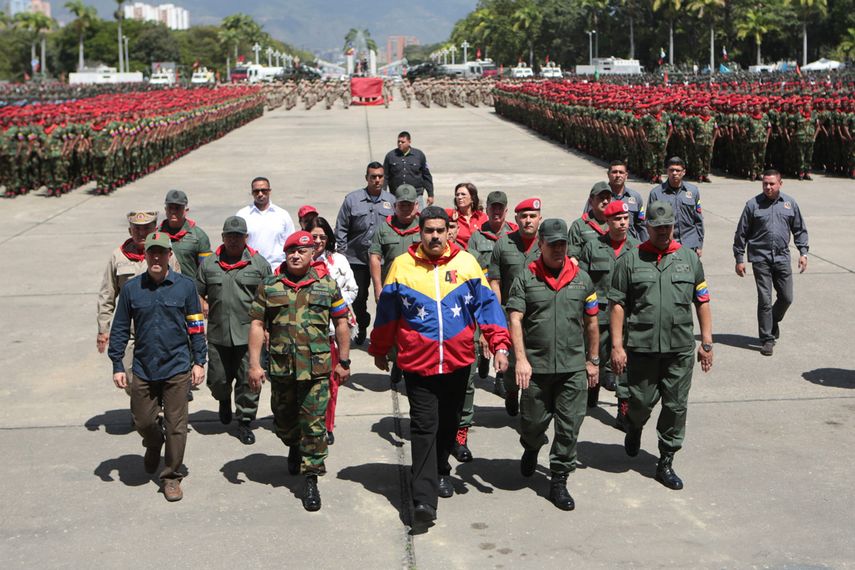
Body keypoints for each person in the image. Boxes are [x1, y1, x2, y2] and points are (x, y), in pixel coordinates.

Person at [369, 206, 510, 524]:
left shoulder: (467, 264)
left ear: (449, 231)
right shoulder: (402, 267)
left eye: (440, 230)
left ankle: (442, 469)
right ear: (420, 232)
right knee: (423, 427)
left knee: (449, 424)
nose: (434, 236)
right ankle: (423, 499)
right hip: (418, 365)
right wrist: (380, 349)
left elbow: (488, 307)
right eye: (428, 230)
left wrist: (500, 344)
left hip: (459, 363)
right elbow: (388, 314)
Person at [609, 201, 714, 491]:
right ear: (648, 228)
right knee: (640, 403)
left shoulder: (689, 260)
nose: (663, 232)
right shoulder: (631, 260)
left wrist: (706, 342)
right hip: (642, 349)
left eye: (668, 227)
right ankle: (634, 426)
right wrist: (617, 346)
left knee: (676, 406)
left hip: (679, 350)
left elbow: (702, 301)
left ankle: (666, 459)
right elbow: (617, 305)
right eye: (658, 228)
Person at [248, 231, 352, 512]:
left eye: (302, 251)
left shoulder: (327, 285)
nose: (296, 255)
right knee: (283, 422)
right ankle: (293, 444)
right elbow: (258, 325)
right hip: (282, 368)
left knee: (314, 425)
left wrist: (344, 361)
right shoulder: (269, 286)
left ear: (312, 255)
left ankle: (311, 479)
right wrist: (255, 364)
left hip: (317, 370)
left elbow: (341, 322)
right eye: (291, 250)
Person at [507, 218, 600, 511]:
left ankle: (559, 479)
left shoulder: (582, 279)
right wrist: (520, 359)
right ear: (541, 245)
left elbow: (592, 322)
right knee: (532, 423)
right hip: (537, 368)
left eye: (563, 244)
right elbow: (515, 319)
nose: (559, 249)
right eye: (553, 244)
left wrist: (593, 360)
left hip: (572, 367)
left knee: (569, 427)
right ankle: (532, 447)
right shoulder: (526, 277)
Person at [108, 232, 207, 502]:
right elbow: (118, 328)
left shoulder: (185, 287)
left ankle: (171, 477)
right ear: (146, 254)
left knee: (177, 425)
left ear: (168, 256)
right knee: (143, 420)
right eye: (151, 251)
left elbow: (196, 326)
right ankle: (153, 443)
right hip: (143, 367)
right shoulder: (132, 289)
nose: (156, 257)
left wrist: (199, 361)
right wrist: (117, 363)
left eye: (161, 252)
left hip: (177, 366)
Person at [197, 216, 272, 445]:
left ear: (245, 238)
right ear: (222, 237)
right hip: (218, 332)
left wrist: (269, 329)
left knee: (247, 380)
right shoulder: (209, 264)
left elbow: (272, 297)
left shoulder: (259, 264)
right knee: (218, 379)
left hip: (249, 334)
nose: (233, 240)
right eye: (229, 236)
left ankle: (245, 421)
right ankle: (222, 399)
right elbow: (197, 293)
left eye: (238, 236)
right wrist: (203, 305)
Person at [97, 211, 181, 395]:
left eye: (147, 228)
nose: (142, 233)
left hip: (162, 326)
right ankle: (146, 413)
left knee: (164, 374)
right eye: (137, 228)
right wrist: (104, 328)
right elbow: (107, 294)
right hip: (131, 330)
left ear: (155, 229)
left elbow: (178, 290)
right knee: (130, 377)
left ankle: (157, 412)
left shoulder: (168, 255)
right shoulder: (118, 256)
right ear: (130, 230)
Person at [732, 169, 809, 356]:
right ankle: (767, 338)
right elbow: (741, 234)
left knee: (786, 297)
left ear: (780, 184)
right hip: (760, 259)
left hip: (782, 257)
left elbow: (799, 230)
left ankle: (772, 321)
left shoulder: (790, 204)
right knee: (764, 300)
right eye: (765, 183)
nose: (768, 187)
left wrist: (803, 252)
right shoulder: (752, 205)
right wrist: (739, 259)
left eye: (772, 183)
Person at [578, 201, 640, 428]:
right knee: (597, 356)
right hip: (599, 315)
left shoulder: (636, 248)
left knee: (624, 361)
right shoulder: (593, 247)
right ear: (608, 221)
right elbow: (582, 281)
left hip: (627, 316)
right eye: (617, 219)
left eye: (625, 219)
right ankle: (592, 388)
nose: (622, 223)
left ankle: (623, 405)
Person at [488, 198, 543, 415]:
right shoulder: (504, 244)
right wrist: (498, 313)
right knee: (511, 363)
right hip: (510, 315)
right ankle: (511, 391)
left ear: (540, 218)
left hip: (539, 315)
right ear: (516, 219)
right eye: (524, 216)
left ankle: (532, 410)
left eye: (532, 216)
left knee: (537, 364)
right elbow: (495, 280)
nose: (528, 220)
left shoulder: (547, 243)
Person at [306, 216, 358, 444]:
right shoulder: (298, 260)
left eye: (322, 237)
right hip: (306, 332)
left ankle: (327, 426)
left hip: (332, 331)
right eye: (314, 236)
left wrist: (333, 301)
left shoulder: (338, 261)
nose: (318, 241)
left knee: (331, 384)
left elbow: (352, 288)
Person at [334, 162, 396, 344]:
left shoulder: (391, 201)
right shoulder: (352, 199)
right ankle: (362, 323)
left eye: (380, 176)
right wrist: (342, 253)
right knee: (358, 298)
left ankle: (384, 334)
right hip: (356, 258)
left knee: (385, 297)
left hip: (383, 259)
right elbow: (341, 227)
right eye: (373, 177)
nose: (377, 180)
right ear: (366, 178)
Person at [368, 184, 421, 384]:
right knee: (390, 326)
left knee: (414, 329)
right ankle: (396, 359)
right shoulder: (384, 228)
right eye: (401, 205)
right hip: (392, 289)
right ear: (394, 206)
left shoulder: (424, 227)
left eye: (409, 205)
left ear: (416, 205)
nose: (405, 209)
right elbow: (375, 257)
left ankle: (409, 364)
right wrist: (378, 288)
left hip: (417, 289)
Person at [647, 157, 704, 256]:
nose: (674, 173)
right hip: (666, 245)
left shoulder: (693, 191)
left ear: (683, 172)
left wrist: (699, 244)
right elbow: (649, 221)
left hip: (690, 244)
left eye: (678, 170)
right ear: (667, 172)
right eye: (671, 170)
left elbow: (698, 219)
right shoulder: (656, 193)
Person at [236, 176, 296, 268]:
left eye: (264, 190)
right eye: (256, 191)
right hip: (250, 267)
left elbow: (291, 243)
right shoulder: (242, 215)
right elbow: (236, 243)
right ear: (252, 193)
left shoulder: (283, 215)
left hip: (277, 269)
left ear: (269, 191)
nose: (260, 194)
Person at [584, 161, 647, 241]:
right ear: (608, 174)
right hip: (602, 245)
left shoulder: (635, 197)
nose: (618, 175)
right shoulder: (598, 197)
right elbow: (586, 221)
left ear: (626, 175)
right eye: (614, 172)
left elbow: (641, 225)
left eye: (621, 172)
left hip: (629, 247)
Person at [159, 189, 212, 283]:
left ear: (185, 210)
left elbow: (206, 269)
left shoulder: (198, 236)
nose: (173, 211)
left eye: (177, 208)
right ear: (165, 209)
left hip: (189, 289)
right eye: (170, 207)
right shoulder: (157, 235)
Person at [382, 131, 434, 207]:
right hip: (396, 197)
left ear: (409, 142)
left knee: (418, 217)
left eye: (402, 142)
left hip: (416, 196)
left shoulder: (419, 155)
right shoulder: (390, 156)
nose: (400, 143)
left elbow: (426, 176)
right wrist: (383, 194)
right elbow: (385, 176)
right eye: (398, 141)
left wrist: (430, 194)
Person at [568, 181, 612, 260]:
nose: (605, 201)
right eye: (601, 197)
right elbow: (572, 257)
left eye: (608, 198)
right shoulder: (579, 226)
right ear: (591, 201)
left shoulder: (615, 223)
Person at [452, 182, 488, 248]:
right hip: (459, 253)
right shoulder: (452, 216)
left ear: (472, 198)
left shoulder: (482, 217)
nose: (459, 197)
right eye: (457, 195)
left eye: (463, 194)